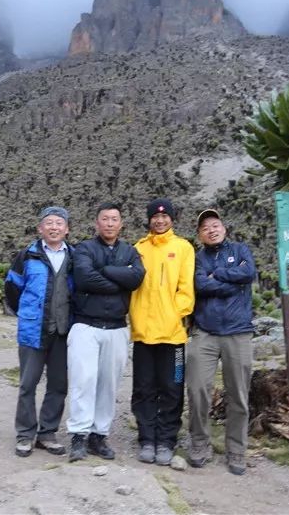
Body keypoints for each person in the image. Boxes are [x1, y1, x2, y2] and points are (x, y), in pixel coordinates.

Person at [67, 202, 145, 462]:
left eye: (114, 219)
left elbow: (137, 279)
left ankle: (98, 436)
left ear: (121, 224)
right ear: (96, 223)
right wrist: (118, 283)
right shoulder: (84, 249)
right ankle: (78, 435)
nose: (110, 223)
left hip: (116, 327)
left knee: (109, 384)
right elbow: (83, 278)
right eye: (105, 219)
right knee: (83, 380)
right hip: (85, 325)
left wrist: (106, 272)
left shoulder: (130, 251)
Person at [186, 208, 257, 475]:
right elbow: (201, 286)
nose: (211, 230)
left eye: (215, 225)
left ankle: (237, 449)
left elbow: (248, 274)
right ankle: (199, 442)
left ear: (224, 228)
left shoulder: (241, 250)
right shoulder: (196, 258)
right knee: (196, 388)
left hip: (238, 332)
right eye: (205, 228)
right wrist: (231, 277)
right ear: (200, 235)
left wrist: (218, 274)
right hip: (204, 332)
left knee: (238, 393)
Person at [129, 198, 195, 465]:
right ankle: (146, 438)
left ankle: (167, 440)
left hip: (173, 336)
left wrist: (174, 315)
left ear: (172, 219)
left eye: (165, 216)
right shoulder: (138, 249)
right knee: (143, 388)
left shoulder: (183, 248)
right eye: (155, 217)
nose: (160, 220)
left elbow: (186, 289)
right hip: (143, 334)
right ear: (148, 220)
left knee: (172, 387)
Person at [4, 206, 74, 458]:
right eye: (49, 223)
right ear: (40, 228)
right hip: (33, 331)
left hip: (62, 332)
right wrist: (25, 314)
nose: (54, 227)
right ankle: (25, 434)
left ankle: (47, 434)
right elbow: (12, 288)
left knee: (58, 385)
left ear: (66, 229)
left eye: (59, 223)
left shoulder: (74, 257)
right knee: (28, 384)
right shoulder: (27, 256)